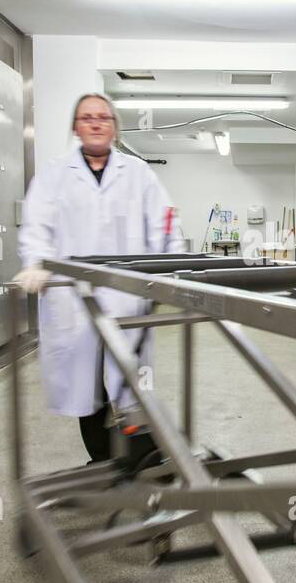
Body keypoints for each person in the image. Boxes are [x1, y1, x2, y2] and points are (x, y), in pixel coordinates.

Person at [14, 92, 183, 464]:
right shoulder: (54, 175)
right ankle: (106, 463)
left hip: (128, 300)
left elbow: (164, 223)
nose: (95, 123)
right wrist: (34, 262)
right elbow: (36, 226)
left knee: (131, 384)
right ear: (76, 127)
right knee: (86, 388)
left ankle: (137, 464)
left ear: (114, 128)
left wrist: (172, 264)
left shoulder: (138, 173)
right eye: (87, 117)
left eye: (103, 118)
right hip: (73, 302)